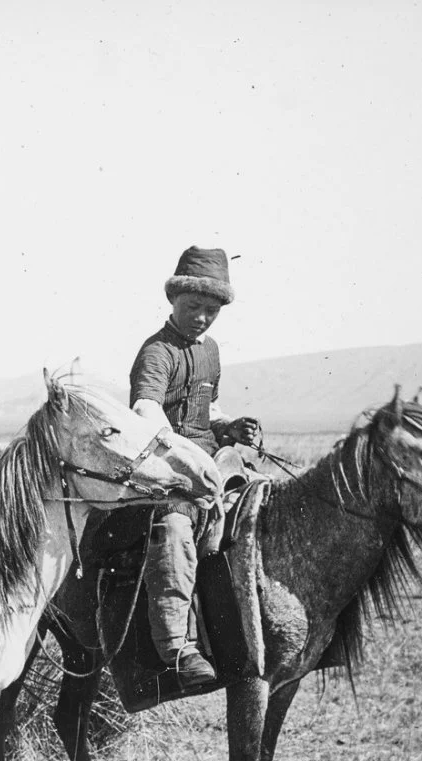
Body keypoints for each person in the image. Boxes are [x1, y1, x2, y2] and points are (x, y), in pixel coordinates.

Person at [129, 245, 260, 686]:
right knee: (175, 529)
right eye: (193, 307)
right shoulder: (156, 352)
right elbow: (148, 410)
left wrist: (232, 428)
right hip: (166, 466)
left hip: (208, 459)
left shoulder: (210, 351)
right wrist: (188, 458)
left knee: (259, 506)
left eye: (210, 310)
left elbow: (210, 409)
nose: (202, 317)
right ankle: (177, 647)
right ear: (174, 301)